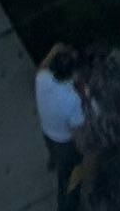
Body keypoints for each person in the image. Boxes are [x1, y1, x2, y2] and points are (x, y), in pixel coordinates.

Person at [35, 40, 91, 198]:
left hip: (47, 130)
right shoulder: (72, 99)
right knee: (68, 179)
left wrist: (53, 51)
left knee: (54, 154)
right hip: (64, 142)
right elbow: (78, 128)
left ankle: (53, 162)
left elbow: (42, 67)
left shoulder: (42, 78)